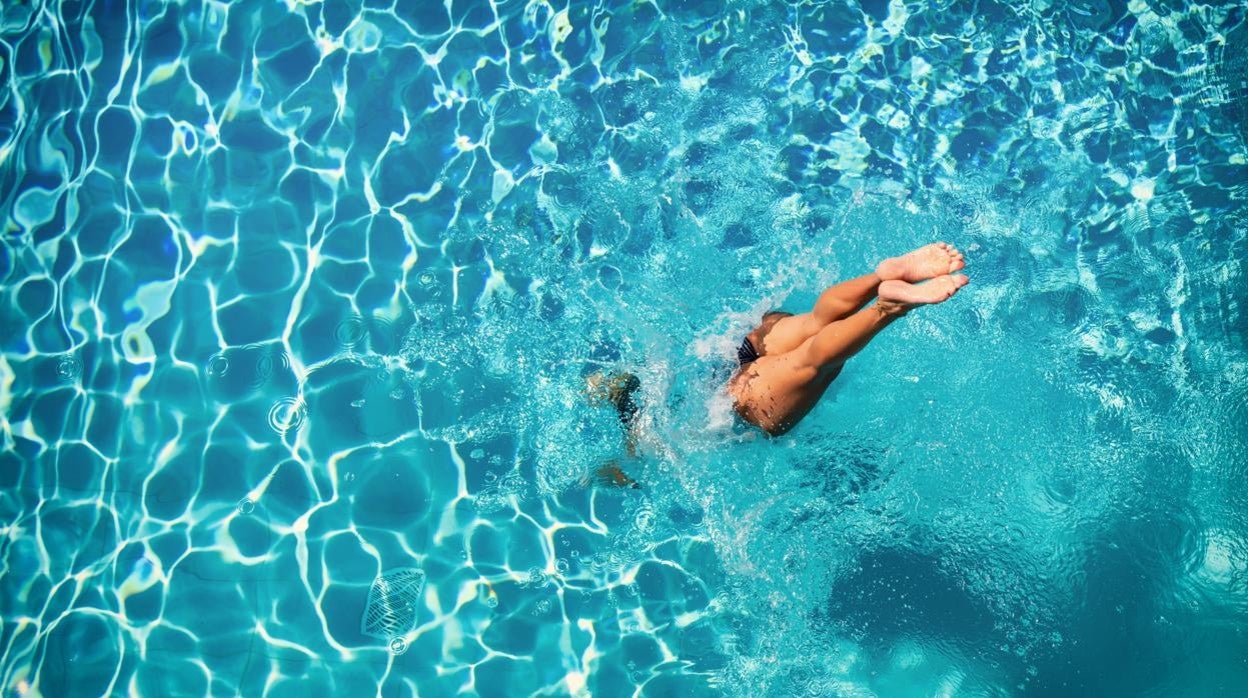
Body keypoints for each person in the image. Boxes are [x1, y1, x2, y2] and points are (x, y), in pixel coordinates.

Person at [729, 242, 967, 435]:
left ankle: (888, 308)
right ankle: (880, 278)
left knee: (809, 363)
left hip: (737, 394)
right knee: (815, 321)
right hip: (750, 340)